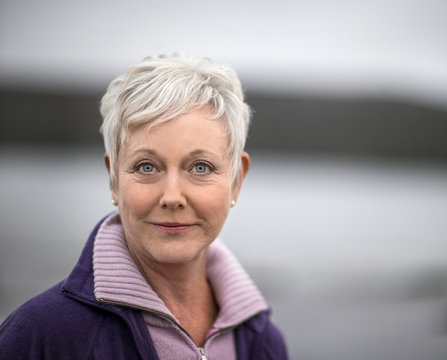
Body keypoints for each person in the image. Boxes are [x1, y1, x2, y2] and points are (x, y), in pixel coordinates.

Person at [0, 54, 288, 359]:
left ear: (236, 179)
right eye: (147, 167)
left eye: (200, 167)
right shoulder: (42, 336)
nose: (172, 196)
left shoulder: (263, 342)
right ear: (114, 178)